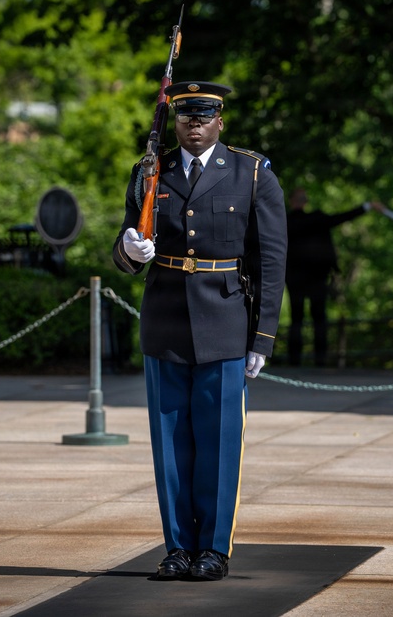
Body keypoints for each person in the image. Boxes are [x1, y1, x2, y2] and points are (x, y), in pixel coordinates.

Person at [112, 81, 287, 581]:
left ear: (219, 122)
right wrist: (130, 250)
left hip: (226, 322)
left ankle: (213, 549)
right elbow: (124, 250)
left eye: (203, 115)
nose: (193, 123)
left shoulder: (252, 174)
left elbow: (271, 260)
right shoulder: (151, 172)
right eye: (186, 115)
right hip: (165, 321)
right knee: (169, 447)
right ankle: (177, 548)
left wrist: (263, 337)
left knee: (218, 444)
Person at [285, 188, 391, 366]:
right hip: (315, 278)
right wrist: (367, 206)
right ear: (305, 201)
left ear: (291, 201)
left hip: (297, 278)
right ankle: (320, 360)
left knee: (297, 319)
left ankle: (295, 361)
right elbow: (342, 217)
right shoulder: (316, 220)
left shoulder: (286, 222)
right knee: (318, 318)